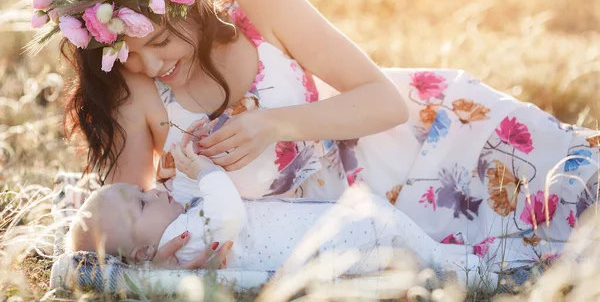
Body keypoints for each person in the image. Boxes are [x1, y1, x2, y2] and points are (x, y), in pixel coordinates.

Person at [30, 0, 599, 274]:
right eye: (127, 55)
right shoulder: (137, 91)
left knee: (571, 190)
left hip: (408, 149)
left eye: (158, 44)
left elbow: (381, 101)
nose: (151, 66)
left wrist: (273, 125)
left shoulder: (257, 4)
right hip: (329, 237)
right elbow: (123, 226)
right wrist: (157, 262)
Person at [68, 141, 488, 285]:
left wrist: (181, 174)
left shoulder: (174, 232)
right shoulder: (183, 245)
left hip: (327, 226)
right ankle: (469, 268)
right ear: (142, 253)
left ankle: (459, 262)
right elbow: (227, 216)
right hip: (337, 236)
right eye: (142, 201)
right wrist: (206, 172)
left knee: (402, 238)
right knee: (396, 236)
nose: (154, 194)